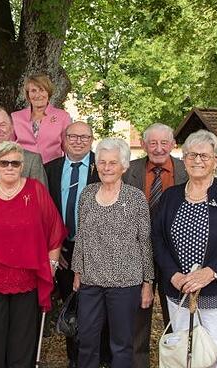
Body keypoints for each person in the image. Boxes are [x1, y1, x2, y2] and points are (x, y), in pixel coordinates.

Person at [0, 141, 66, 368]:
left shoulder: (36, 191)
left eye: (15, 163)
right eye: (4, 162)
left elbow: (55, 229)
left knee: (23, 343)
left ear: (22, 165)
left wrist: (52, 264)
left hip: (27, 281)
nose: (9, 167)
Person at [151, 129, 217, 368]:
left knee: (216, 355)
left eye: (205, 156)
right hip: (180, 291)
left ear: (216, 160)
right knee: (185, 356)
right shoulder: (171, 196)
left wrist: (210, 272)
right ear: (183, 159)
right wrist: (173, 275)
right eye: (192, 155)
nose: (198, 160)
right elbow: (157, 239)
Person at [71, 138, 154, 368]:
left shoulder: (135, 198)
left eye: (113, 163)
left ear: (124, 167)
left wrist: (148, 282)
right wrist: (78, 270)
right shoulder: (87, 194)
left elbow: (144, 242)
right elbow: (82, 236)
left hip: (125, 283)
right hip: (91, 282)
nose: (106, 168)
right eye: (102, 162)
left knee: (121, 344)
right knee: (86, 339)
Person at [43, 121, 110, 367]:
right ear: (64, 139)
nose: (78, 141)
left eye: (85, 137)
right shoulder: (50, 169)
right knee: (71, 303)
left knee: (97, 303)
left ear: (92, 140)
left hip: (97, 249)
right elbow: (45, 212)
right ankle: (75, 357)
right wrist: (54, 245)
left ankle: (102, 357)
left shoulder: (101, 167)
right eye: (73, 136)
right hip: (62, 250)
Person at [122, 122, 187, 368]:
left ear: (172, 144)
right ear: (144, 144)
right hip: (138, 252)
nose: (158, 148)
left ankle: (175, 362)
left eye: (164, 143)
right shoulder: (130, 171)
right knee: (138, 316)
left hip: (175, 255)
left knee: (178, 316)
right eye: (153, 143)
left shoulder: (186, 169)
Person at [11, 73, 72, 164]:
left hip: (51, 170)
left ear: (48, 92)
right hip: (23, 170)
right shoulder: (15, 117)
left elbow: (68, 148)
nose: (38, 95)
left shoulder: (63, 116)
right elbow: (8, 148)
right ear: (28, 95)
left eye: (42, 90)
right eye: (33, 91)